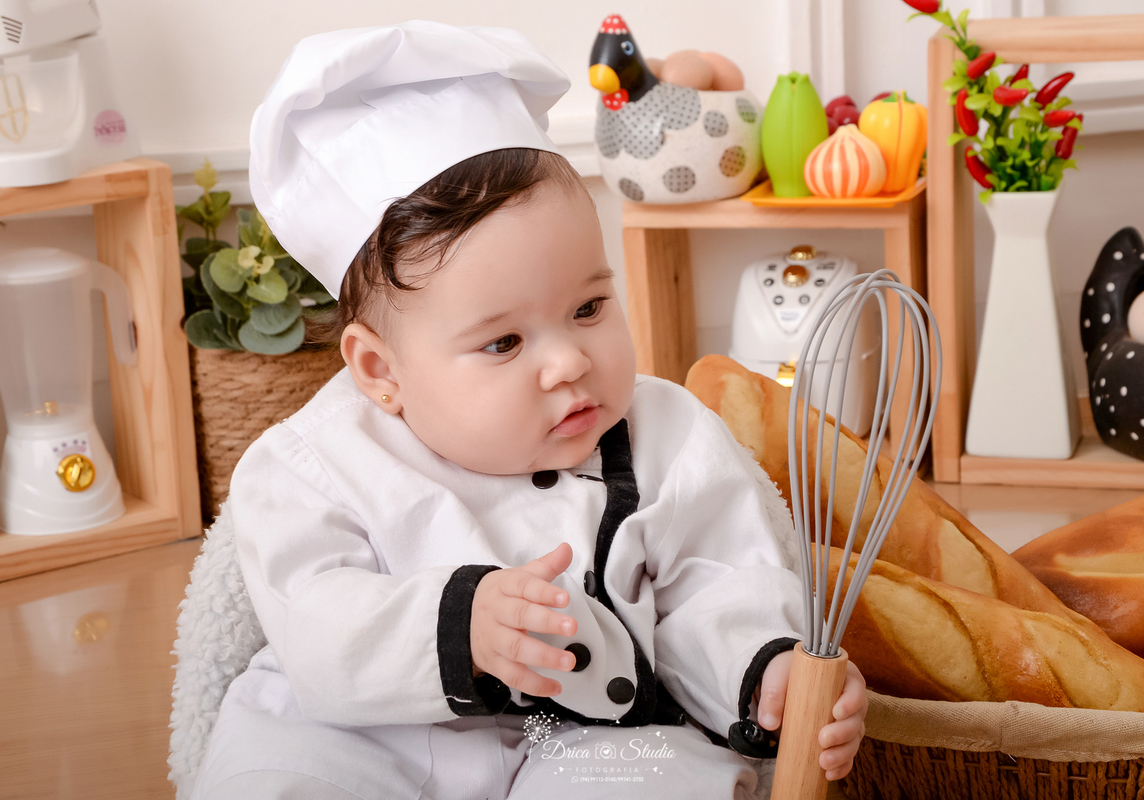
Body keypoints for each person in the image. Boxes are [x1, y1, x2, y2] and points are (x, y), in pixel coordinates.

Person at [190, 20, 867, 800]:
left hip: (585, 737)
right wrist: (458, 625)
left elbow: (722, 581)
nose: (569, 361)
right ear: (382, 371)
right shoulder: (308, 464)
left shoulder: (669, 436)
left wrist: (767, 673)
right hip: (368, 737)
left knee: (660, 778)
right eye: (505, 343)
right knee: (279, 778)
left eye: (588, 307)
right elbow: (314, 620)